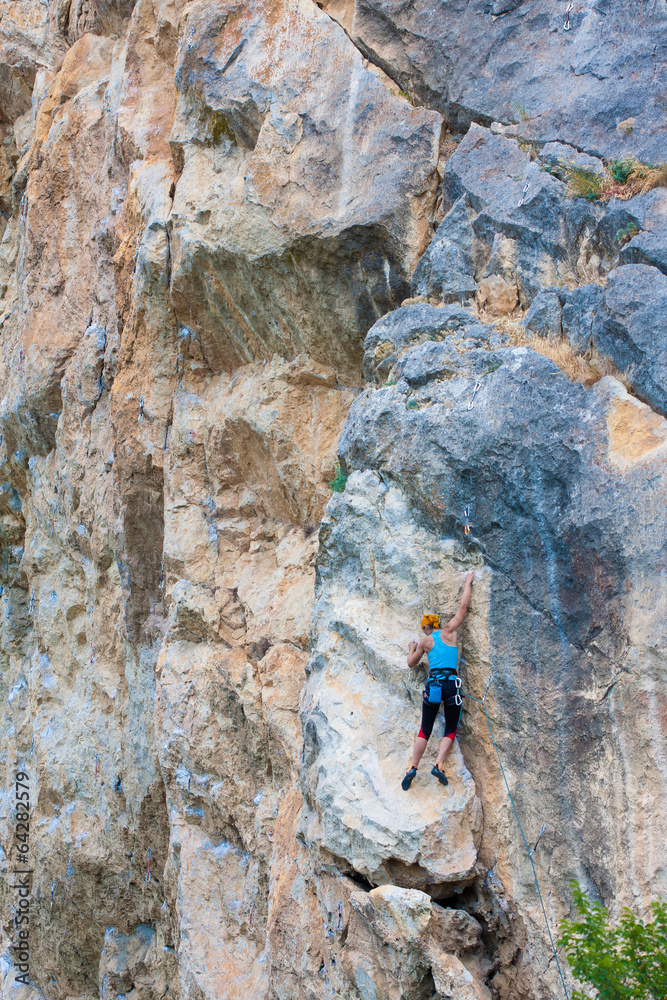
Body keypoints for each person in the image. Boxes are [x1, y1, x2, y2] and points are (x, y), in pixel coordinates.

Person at [401, 571, 475, 790]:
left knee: (425, 728)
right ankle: (439, 764)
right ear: (438, 624)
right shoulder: (450, 631)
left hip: (433, 684)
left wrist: (412, 648)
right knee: (450, 727)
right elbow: (463, 609)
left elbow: (411, 663)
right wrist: (468, 582)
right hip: (452, 685)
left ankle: (413, 767)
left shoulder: (425, 642)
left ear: (425, 627)